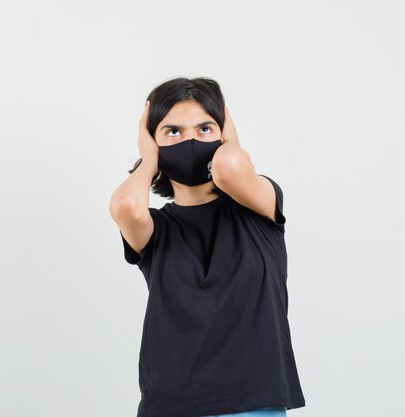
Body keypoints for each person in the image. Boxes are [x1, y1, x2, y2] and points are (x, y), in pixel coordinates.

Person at [109, 77, 306, 417]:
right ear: (153, 143)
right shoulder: (156, 229)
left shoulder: (259, 207)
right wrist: (147, 158)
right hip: (172, 405)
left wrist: (231, 138)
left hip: (253, 403)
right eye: (173, 131)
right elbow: (126, 206)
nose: (189, 140)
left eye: (204, 128)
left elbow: (230, 169)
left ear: (224, 133)